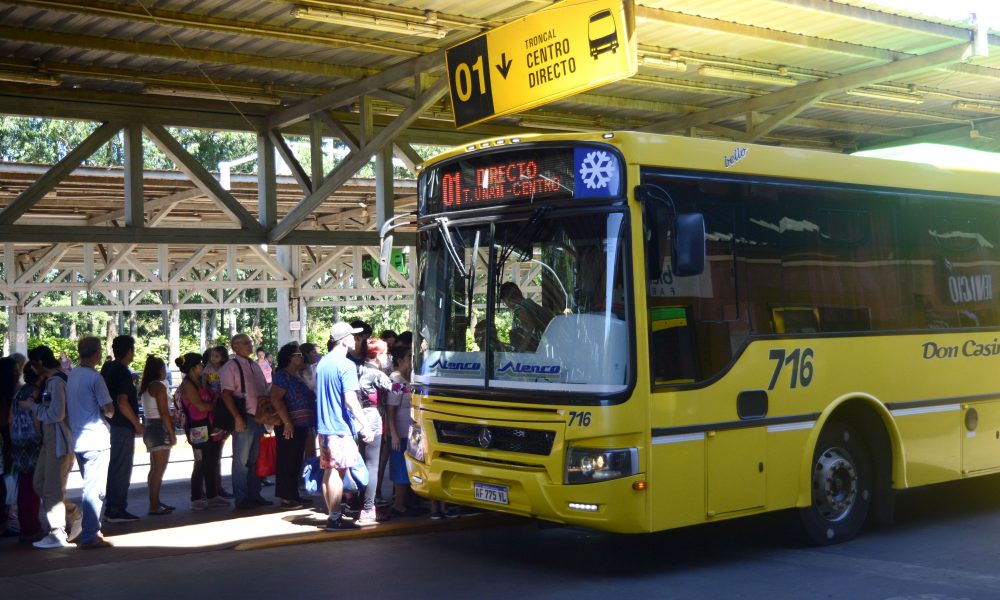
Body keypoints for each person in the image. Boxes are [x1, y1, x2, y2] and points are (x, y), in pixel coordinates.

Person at [317, 322, 374, 530]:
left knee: (328, 472)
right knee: (337, 473)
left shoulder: (323, 363)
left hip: (324, 428)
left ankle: (332, 515)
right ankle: (334, 518)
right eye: (353, 336)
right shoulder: (346, 365)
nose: (357, 340)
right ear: (343, 340)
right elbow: (351, 399)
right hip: (340, 428)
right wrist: (365, 425)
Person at [25, 345, 80, 549]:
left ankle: (58, 532)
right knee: (40, 484)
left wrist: (33, 406)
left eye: (33, 363)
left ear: (39, 363)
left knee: (52, 489)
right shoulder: (53, 381)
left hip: (59, 440)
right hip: (51, 440)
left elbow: (56, 414)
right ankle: (73, 513)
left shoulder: (56, 382)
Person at [65, 336, 114, 549]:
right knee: (95, 490)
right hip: (96, 439)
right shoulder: (95, 378)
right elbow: (109, 409)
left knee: (89, 485)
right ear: (97, 354)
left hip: (79, 439)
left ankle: (93, 527)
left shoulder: (72, 375)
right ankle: (90, 534)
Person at [220, 333, 270, 509]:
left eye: (250, 342)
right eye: (246, 343)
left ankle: (254, 495)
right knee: (241, 460)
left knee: (254, 459)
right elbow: (226, 394)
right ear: (235, 347)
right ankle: (242, 498)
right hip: (244, 416)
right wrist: (237, 418)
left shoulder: (254, 365)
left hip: (257, 416)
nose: (250, 345)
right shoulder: (230, 367)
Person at [175, 352, 227, 511]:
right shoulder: (188, 385)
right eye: (200, 364)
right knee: (201, 462)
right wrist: (218, 406)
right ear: (193, 368)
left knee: (211, 460)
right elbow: (200, 406)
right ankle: (196, 496)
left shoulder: (199, 382)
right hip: (198, 426)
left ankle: (212, 495)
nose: (203, 366)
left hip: (208, 424)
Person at [100, 335, 143, 523]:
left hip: (108, 424)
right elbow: (123, 402)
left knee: (113, 466)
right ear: (129, 352)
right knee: (121, 467)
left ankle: (111, 506)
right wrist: (137, 424)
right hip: (122, 426)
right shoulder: (122, 372)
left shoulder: (107, 368)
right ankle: (116, 508)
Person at [269, 342, 316, 509]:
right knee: (287, 460)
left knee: (296, 460)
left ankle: (293, 494)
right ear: (290, 358)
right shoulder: (282, 375)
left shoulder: (299, 375)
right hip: (288, 425)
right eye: (298, 355)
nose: (301, 357)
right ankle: (285, 497)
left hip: (301, 425)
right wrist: (287, 422)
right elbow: (275, 399)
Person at [353, 338, 392, 525]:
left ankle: (355, 502)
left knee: (360, 462)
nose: (388, 357)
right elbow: (397, 389)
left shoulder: (356, 368)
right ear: (378, 355)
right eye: (385, 353)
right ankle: (368, 509)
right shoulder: (376, 373)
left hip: (355, 419)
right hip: (372, 421)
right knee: (372, 466)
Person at [138, 355, 176, 515]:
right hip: (159, 428)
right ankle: (154, 505)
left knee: (154, 469)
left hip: (149, 426)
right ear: (160, 370)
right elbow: (164, 412)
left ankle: (155, 501)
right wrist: (172, 433)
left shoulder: (146, 387)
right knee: (159, 470)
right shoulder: (159, 387)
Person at [10, 363, 43, 543]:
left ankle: (26, 526)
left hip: (17, 440)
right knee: (34, 486)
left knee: (24, 485)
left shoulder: (18, 393)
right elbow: (36, 419)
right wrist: (41, 436)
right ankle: (32, 527)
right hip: (32, 442)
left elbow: (10, 418)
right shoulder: (35, 393)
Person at [386, 345, 417, 518]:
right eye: (409, 357)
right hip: (401, 433)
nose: (412, 361)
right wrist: (394, 434)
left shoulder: (407, 379)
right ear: (400, 361)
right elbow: (391, 409)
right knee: (400, 469)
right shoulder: (396, 381)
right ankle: (399, 505)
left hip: (410, 433)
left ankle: (406, 503)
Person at [200, 345, 231, 499]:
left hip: (208, 419)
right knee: (212, 456)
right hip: (211, 419)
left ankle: (207, 490)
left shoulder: (194, 387)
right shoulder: (197, 386)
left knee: (207, 457)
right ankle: (213, 489)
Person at [498, 282, 554, 352]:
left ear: (507, 299)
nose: (506, 304)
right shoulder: (529, 304)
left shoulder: (519, 308)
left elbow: (530, 327)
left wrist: (520, 350)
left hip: (536, 352)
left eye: (504, 302)